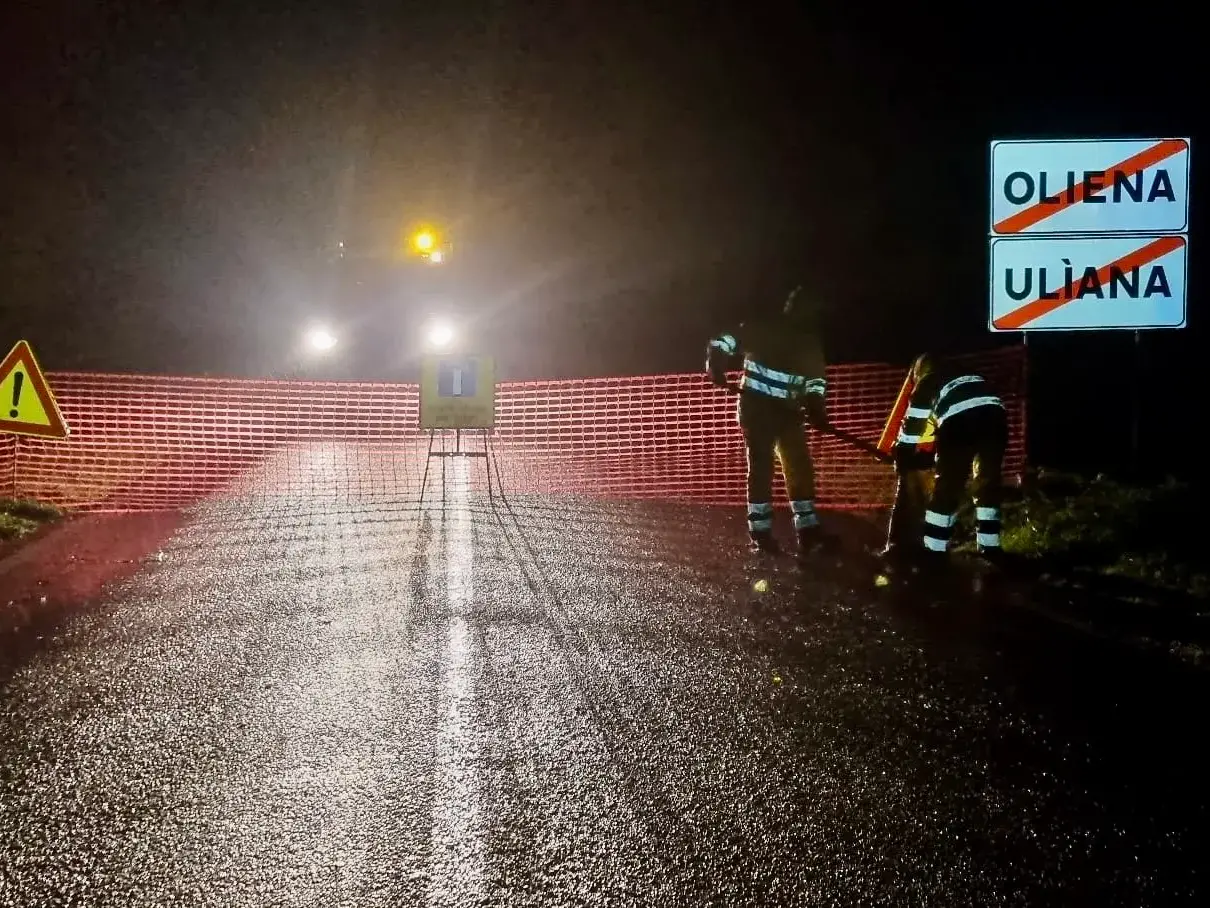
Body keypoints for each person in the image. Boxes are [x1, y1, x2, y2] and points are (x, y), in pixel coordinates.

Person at [706, 285, 834, 556]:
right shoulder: (764, 329)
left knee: (798, 466)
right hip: (758, 412)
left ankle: (807, 527)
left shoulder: (808, 343)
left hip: (789, 415)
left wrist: (817, 412)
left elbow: (815, 384)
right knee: (762, 467)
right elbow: (723, 341)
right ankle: (761, 531)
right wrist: (716, 363)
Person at [890, 352, 1007, 563]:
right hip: (996, 420)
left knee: (947, 488)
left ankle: (934, 549)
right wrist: (932, 453)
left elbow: (914, 421)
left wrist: (904, 452)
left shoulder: (928, 380)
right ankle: (990, 547)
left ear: (920, 370)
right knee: (987, 484)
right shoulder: (967, 374)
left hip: (959, 423)